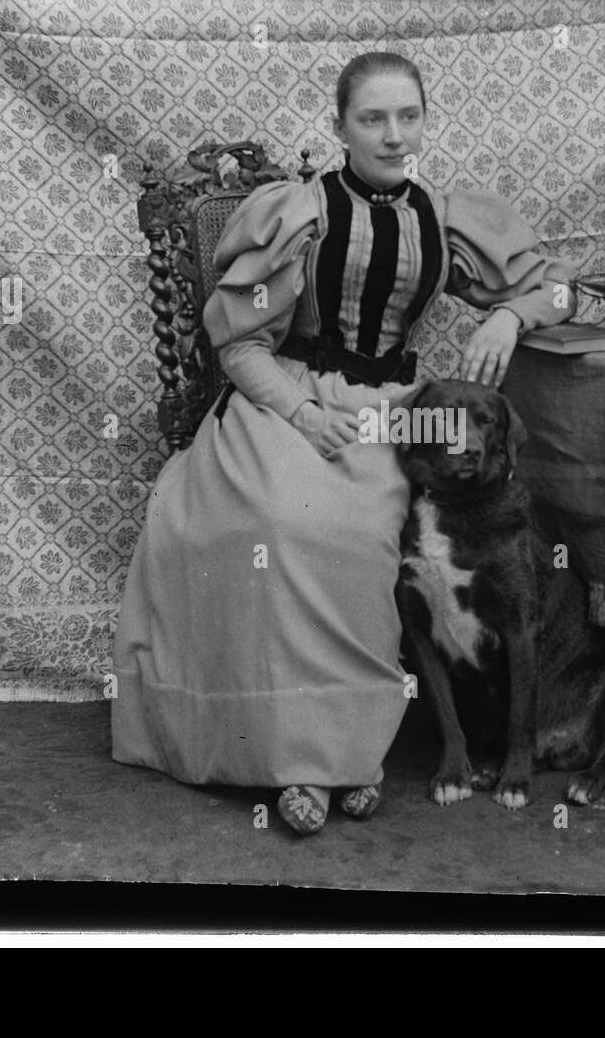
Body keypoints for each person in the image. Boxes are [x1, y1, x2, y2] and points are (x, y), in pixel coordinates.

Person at [111, 51, 575, 834]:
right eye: (372, 119)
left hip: (394, 414)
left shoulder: (448, 217)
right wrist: (299, 412)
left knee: (364, 537)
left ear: (424, 120)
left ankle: (347, 754)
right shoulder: (299, 212)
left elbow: (564, 287)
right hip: (290, 397)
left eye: (408, 117)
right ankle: (287, 759)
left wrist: (511, 314)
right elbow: (238, 344)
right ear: (340, 127)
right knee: (280, 526)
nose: (393, 136)